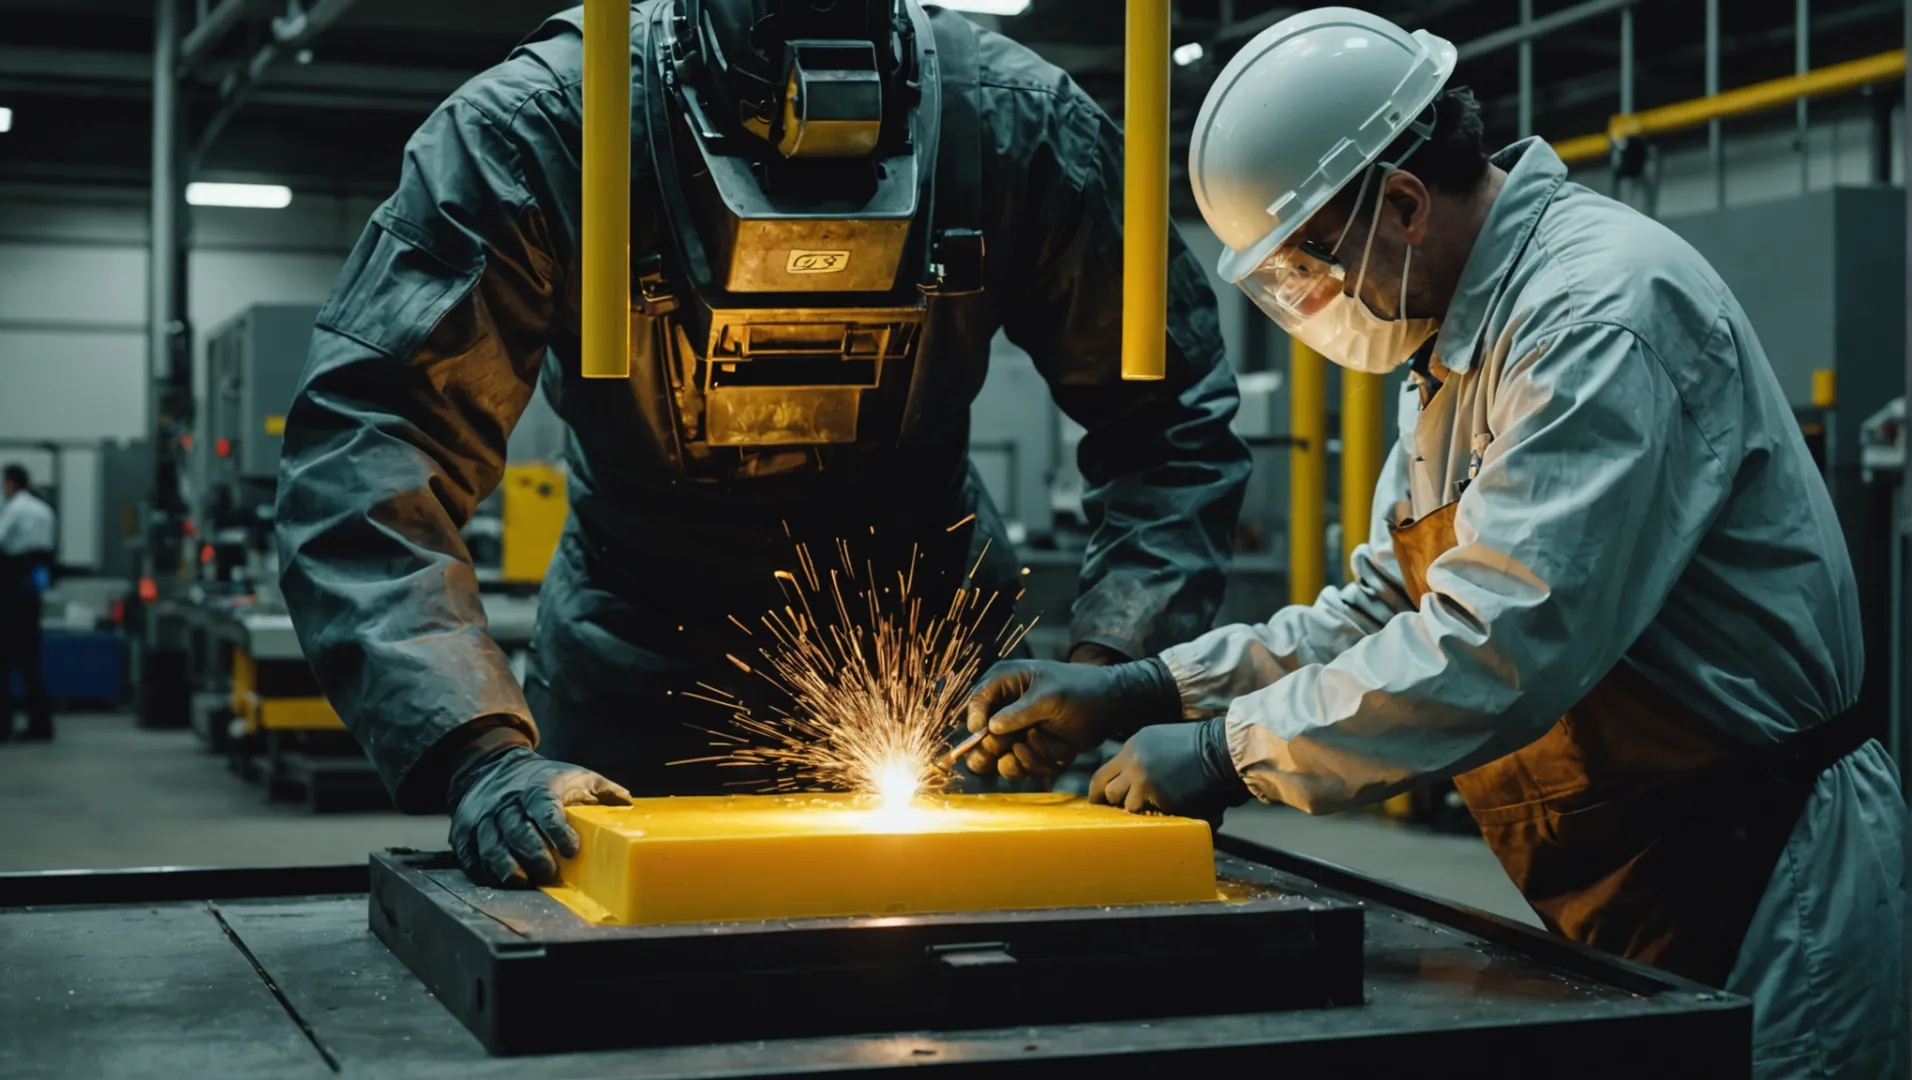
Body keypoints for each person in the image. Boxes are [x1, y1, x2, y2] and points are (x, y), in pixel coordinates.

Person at [960, 8, 1906, 1077]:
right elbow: (1384, 612)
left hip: (1772, 882)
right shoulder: (1453, 346)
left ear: (1402, 203)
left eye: (1308, 271)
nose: (1316, 304)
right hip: (1641, 869)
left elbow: (1496, 643)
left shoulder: (1594, 317)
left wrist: (1228, 755)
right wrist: (1148, 688)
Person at [275, 0, 1249, 892]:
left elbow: (1170, 422)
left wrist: (1114, 665)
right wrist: (478, 750)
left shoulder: (1015, 122)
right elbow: (371, 448)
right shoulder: (536, 128)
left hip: (943, 673)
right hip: (635, 666)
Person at [0, 463, 56, 743]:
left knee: (3, 660)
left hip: (11, 586)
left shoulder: (15, 509)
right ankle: (41, 724)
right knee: (30, 661)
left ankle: (3, 726)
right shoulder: (43, 509)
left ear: (11, 483)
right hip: (33, 586)